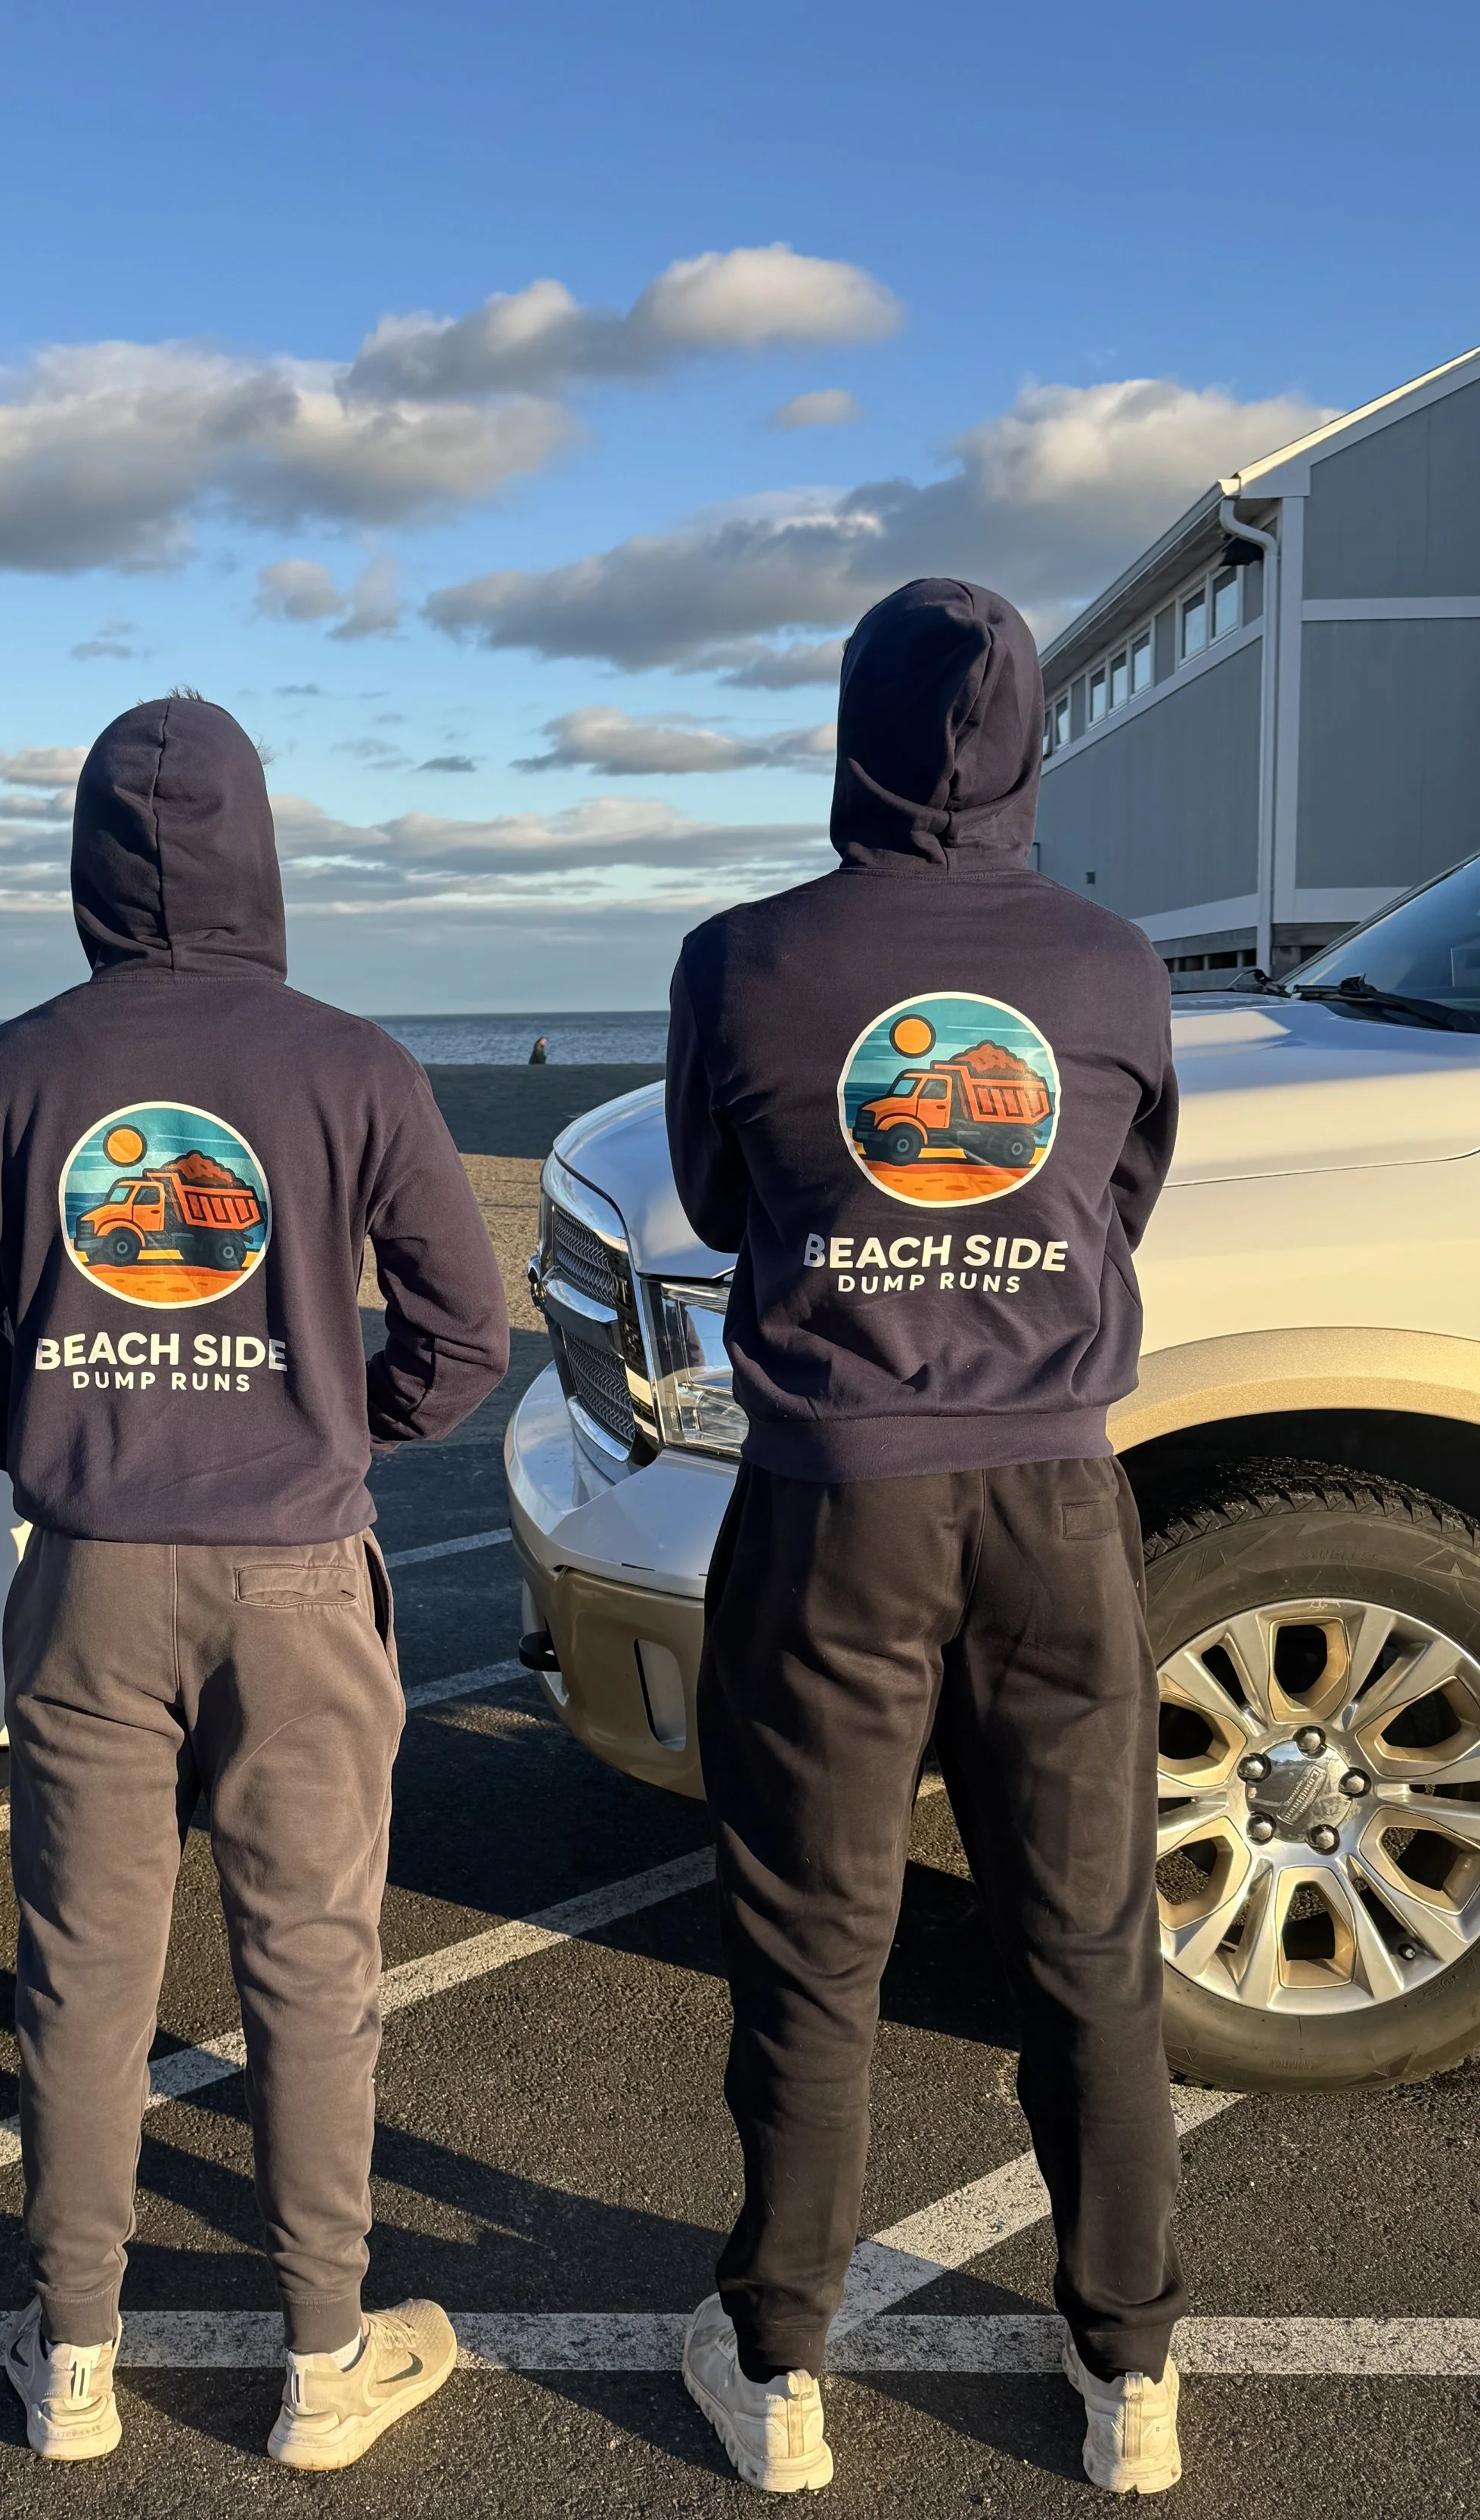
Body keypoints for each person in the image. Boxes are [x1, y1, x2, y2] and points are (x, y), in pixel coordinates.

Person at [0, 694, 509, 2471]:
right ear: (259, 846)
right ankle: (323, 2356)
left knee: (83, 1966)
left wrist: (72, 1441)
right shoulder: (353, 1064)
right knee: (311, 1966)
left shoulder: (2, 1076)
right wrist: (333, 1420)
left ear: (84, 859)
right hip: (297, 1570)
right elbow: (466, 1334)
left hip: (86, 1571)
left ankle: (71, 2353)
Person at [665, 581, 1184, 2497]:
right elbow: (1116, 1196)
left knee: (814, 1947)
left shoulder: (739, 961)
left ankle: (777, 2365)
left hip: (835, 1501)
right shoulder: (1115, 967)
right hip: (1053, 1491)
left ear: (848, 735)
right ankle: (1128, 2373)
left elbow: (726, 1198)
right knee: (1088, 1938)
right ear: (1032, 738)